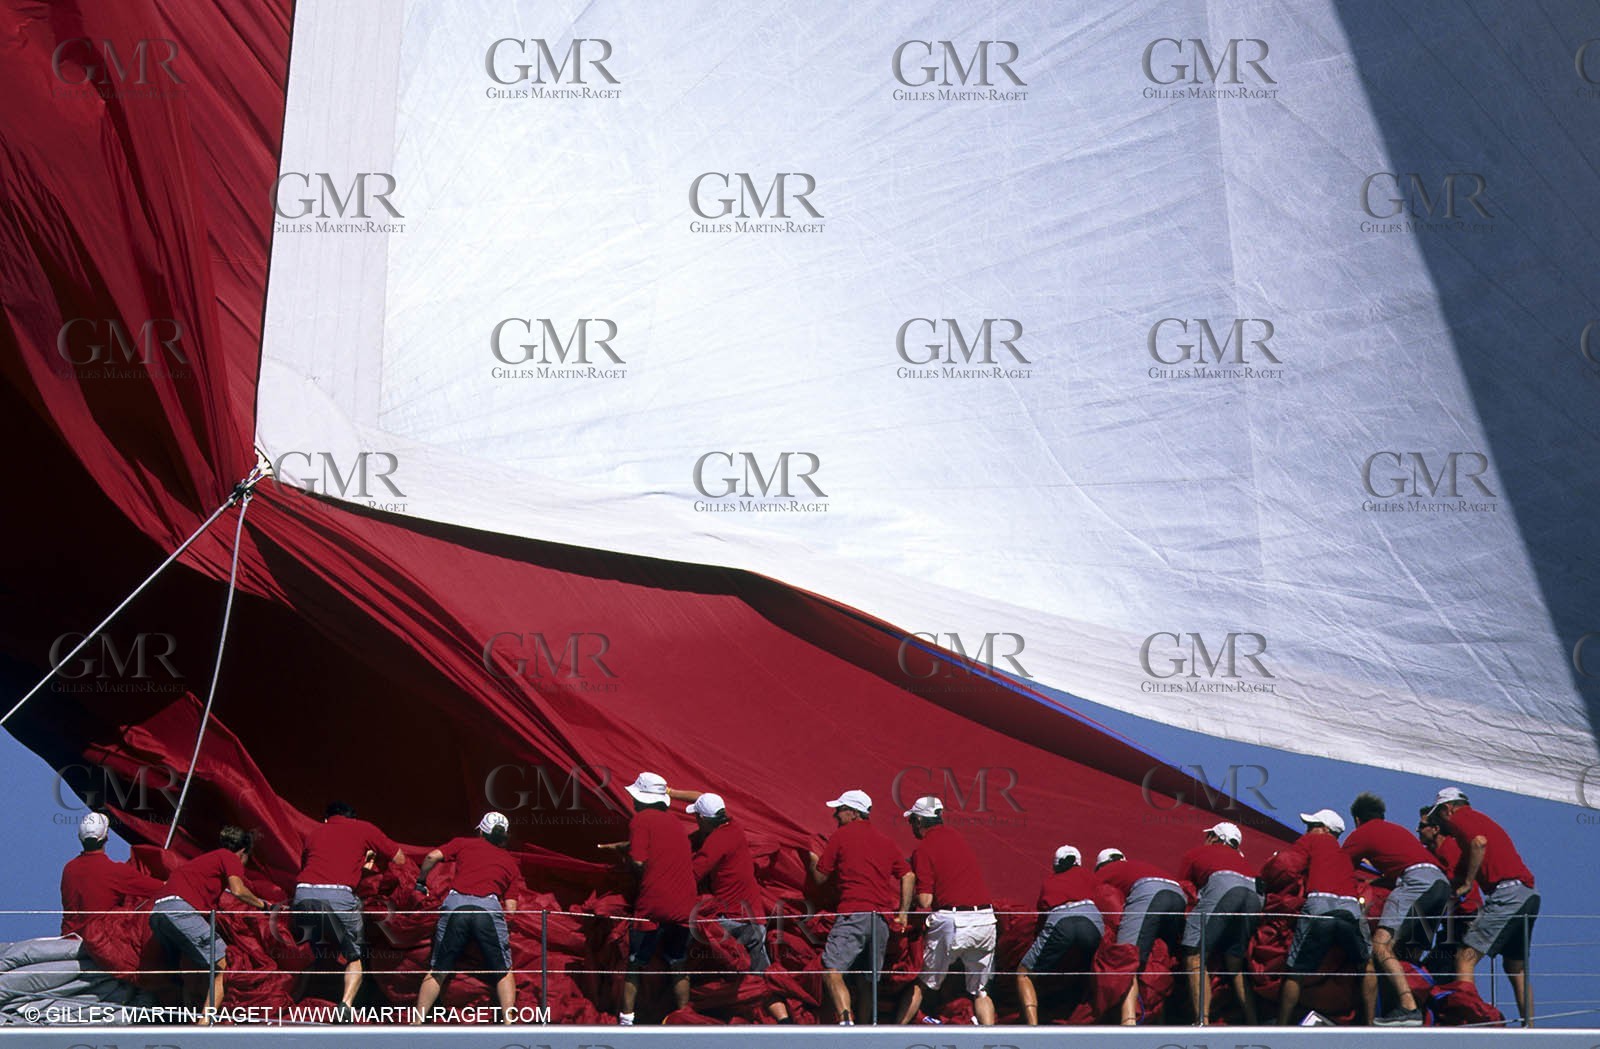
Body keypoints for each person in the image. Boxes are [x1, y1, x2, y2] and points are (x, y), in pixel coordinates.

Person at [1427, 786, 1539, 1025]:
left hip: (1506, 893)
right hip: (1527, 894)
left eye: (1438, 817)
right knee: (1515, 966)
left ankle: (1469, 1015)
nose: (1441, 825)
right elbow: (1464, 864)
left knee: (1465, 957)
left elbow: (1479, 843)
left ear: (1448, 808)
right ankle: (1529, 1026)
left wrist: (1468, 883)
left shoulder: (1462, 818)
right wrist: (1458, 882)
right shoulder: (1480, 820)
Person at [678, 791, 791, 1022]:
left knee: (681, 949)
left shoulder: (716, 841)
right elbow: (702, 796)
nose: (696, 821)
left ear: (706, 819)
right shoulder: (734, 827)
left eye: (698, 817)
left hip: (734, 922)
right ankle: (784, 1022)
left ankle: (685, 1015)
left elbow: (692, 874)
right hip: (754, 920)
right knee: (762, 978)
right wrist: (671, 792)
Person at [290, 801, 409, 1019]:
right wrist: (371, 863)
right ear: (353, 817)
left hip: (303, 896)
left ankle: (295, 996)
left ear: (326, 818)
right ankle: (345, 1004)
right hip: (338, 898)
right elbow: (400, 859)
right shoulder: (363, 828)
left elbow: (311, 867)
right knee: (354, 956)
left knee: (310, 950)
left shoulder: (314, 833)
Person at [805, 789, 913, 1026]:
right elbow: (908, 874)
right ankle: (867, 1028)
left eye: (839, 811)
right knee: (868, 980)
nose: (835, 815)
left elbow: (820, 878)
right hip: (882, 920)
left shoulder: (841, 837)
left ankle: (846, 1021)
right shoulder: (886, 842)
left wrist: (812, 858)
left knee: (831, 969)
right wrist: (903, 914)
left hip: (853, 914)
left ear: (853, 813)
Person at [1343, 792, 1449, 1026]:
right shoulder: (1396, 830)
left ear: (1358, 819)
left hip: (1415, 881)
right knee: (1407, 953)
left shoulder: (1362, 833)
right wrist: (1377, 882)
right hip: (1439, 885)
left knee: (1380, 945)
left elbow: (1339, 868)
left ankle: (1408, 1008)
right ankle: (1416, 1009)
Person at [599, 772, 696, 1025]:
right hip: (685, 904)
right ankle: (684, 1017)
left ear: (641, 800)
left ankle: (626, 1020)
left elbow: (640, 860)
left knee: (634, 963)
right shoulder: (676, 823)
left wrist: (625, 858)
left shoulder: (640, 820)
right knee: (678, 962)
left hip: (653, 903)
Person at [147, 825, 270, 1024]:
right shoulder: (229, 857)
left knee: (186, 963)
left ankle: (184, 1018)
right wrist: (264, 905)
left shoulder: (204, 861)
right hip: (181, 911)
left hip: (158, 912)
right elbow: (238, 890)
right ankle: (205, 1022)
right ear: (242, 852)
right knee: (223, 964)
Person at [893, 796, 997, 1026]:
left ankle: (895, 1032)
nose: (911, 827)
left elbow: (925, 900)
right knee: (980, 991)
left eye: (912, 821)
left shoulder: (924, 849)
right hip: (986, 920)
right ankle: (990, 1039)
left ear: (920, 821)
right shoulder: (957, 838)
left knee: (922, 982)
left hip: (953, 921)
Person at [413, 812, 521, 1023]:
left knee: (438, 969)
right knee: (503, 969)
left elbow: (431, 856)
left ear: (481, 831)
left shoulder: (463, 843)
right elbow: (511, 907)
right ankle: (509, 1022)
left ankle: (417, 1021)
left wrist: (421, 881)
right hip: (488, 908)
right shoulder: (510, 861)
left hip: (456, 905)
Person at [1275, 808, 1374, 1026]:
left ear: (1325, 830)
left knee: (1295, 971)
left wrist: (1266, 878)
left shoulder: (1314, 841)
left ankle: (1281, 1026)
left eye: (1312, 826)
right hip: (1350, 905)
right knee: (1366, 964)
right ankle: (1370, 1024)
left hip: (1320, 903)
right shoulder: (1347, 854)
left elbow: (1286, 865)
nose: (1307, 830)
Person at [1176, 821, 1260, 1024]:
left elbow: (1183, 888)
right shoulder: (1243, 861)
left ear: (1216, 838)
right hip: (1255, 892)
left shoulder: (1197, 853)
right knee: (1235, 963)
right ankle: (1254, 1022)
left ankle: (1202, 1021)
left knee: (1195, 955)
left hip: (1224, 886)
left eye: (1209, 835)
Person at [1094, 847, 1186, 1025]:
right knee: (1162, 960)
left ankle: (1128, 1022)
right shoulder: (1135, 866)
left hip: (1150, 891)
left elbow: (1094, 894)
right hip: (1177, 894)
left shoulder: (1105, 872)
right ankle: (1161, 1019)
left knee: (1126, 959)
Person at [1015, 845, 1103, 1026]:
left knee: (1023, 974)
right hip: (1091, 918)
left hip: (1061, 920)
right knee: (1101, 967)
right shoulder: (1089, 875)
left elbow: (1042, 918)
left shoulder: (1050, 881)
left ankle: (1033, 1027)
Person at [60, 812, 163, 949]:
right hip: (99, 944)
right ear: (106, 837)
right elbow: (162, 888)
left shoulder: (69, 869)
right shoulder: (115, 871)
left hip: (68, 940)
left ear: (80, 837)